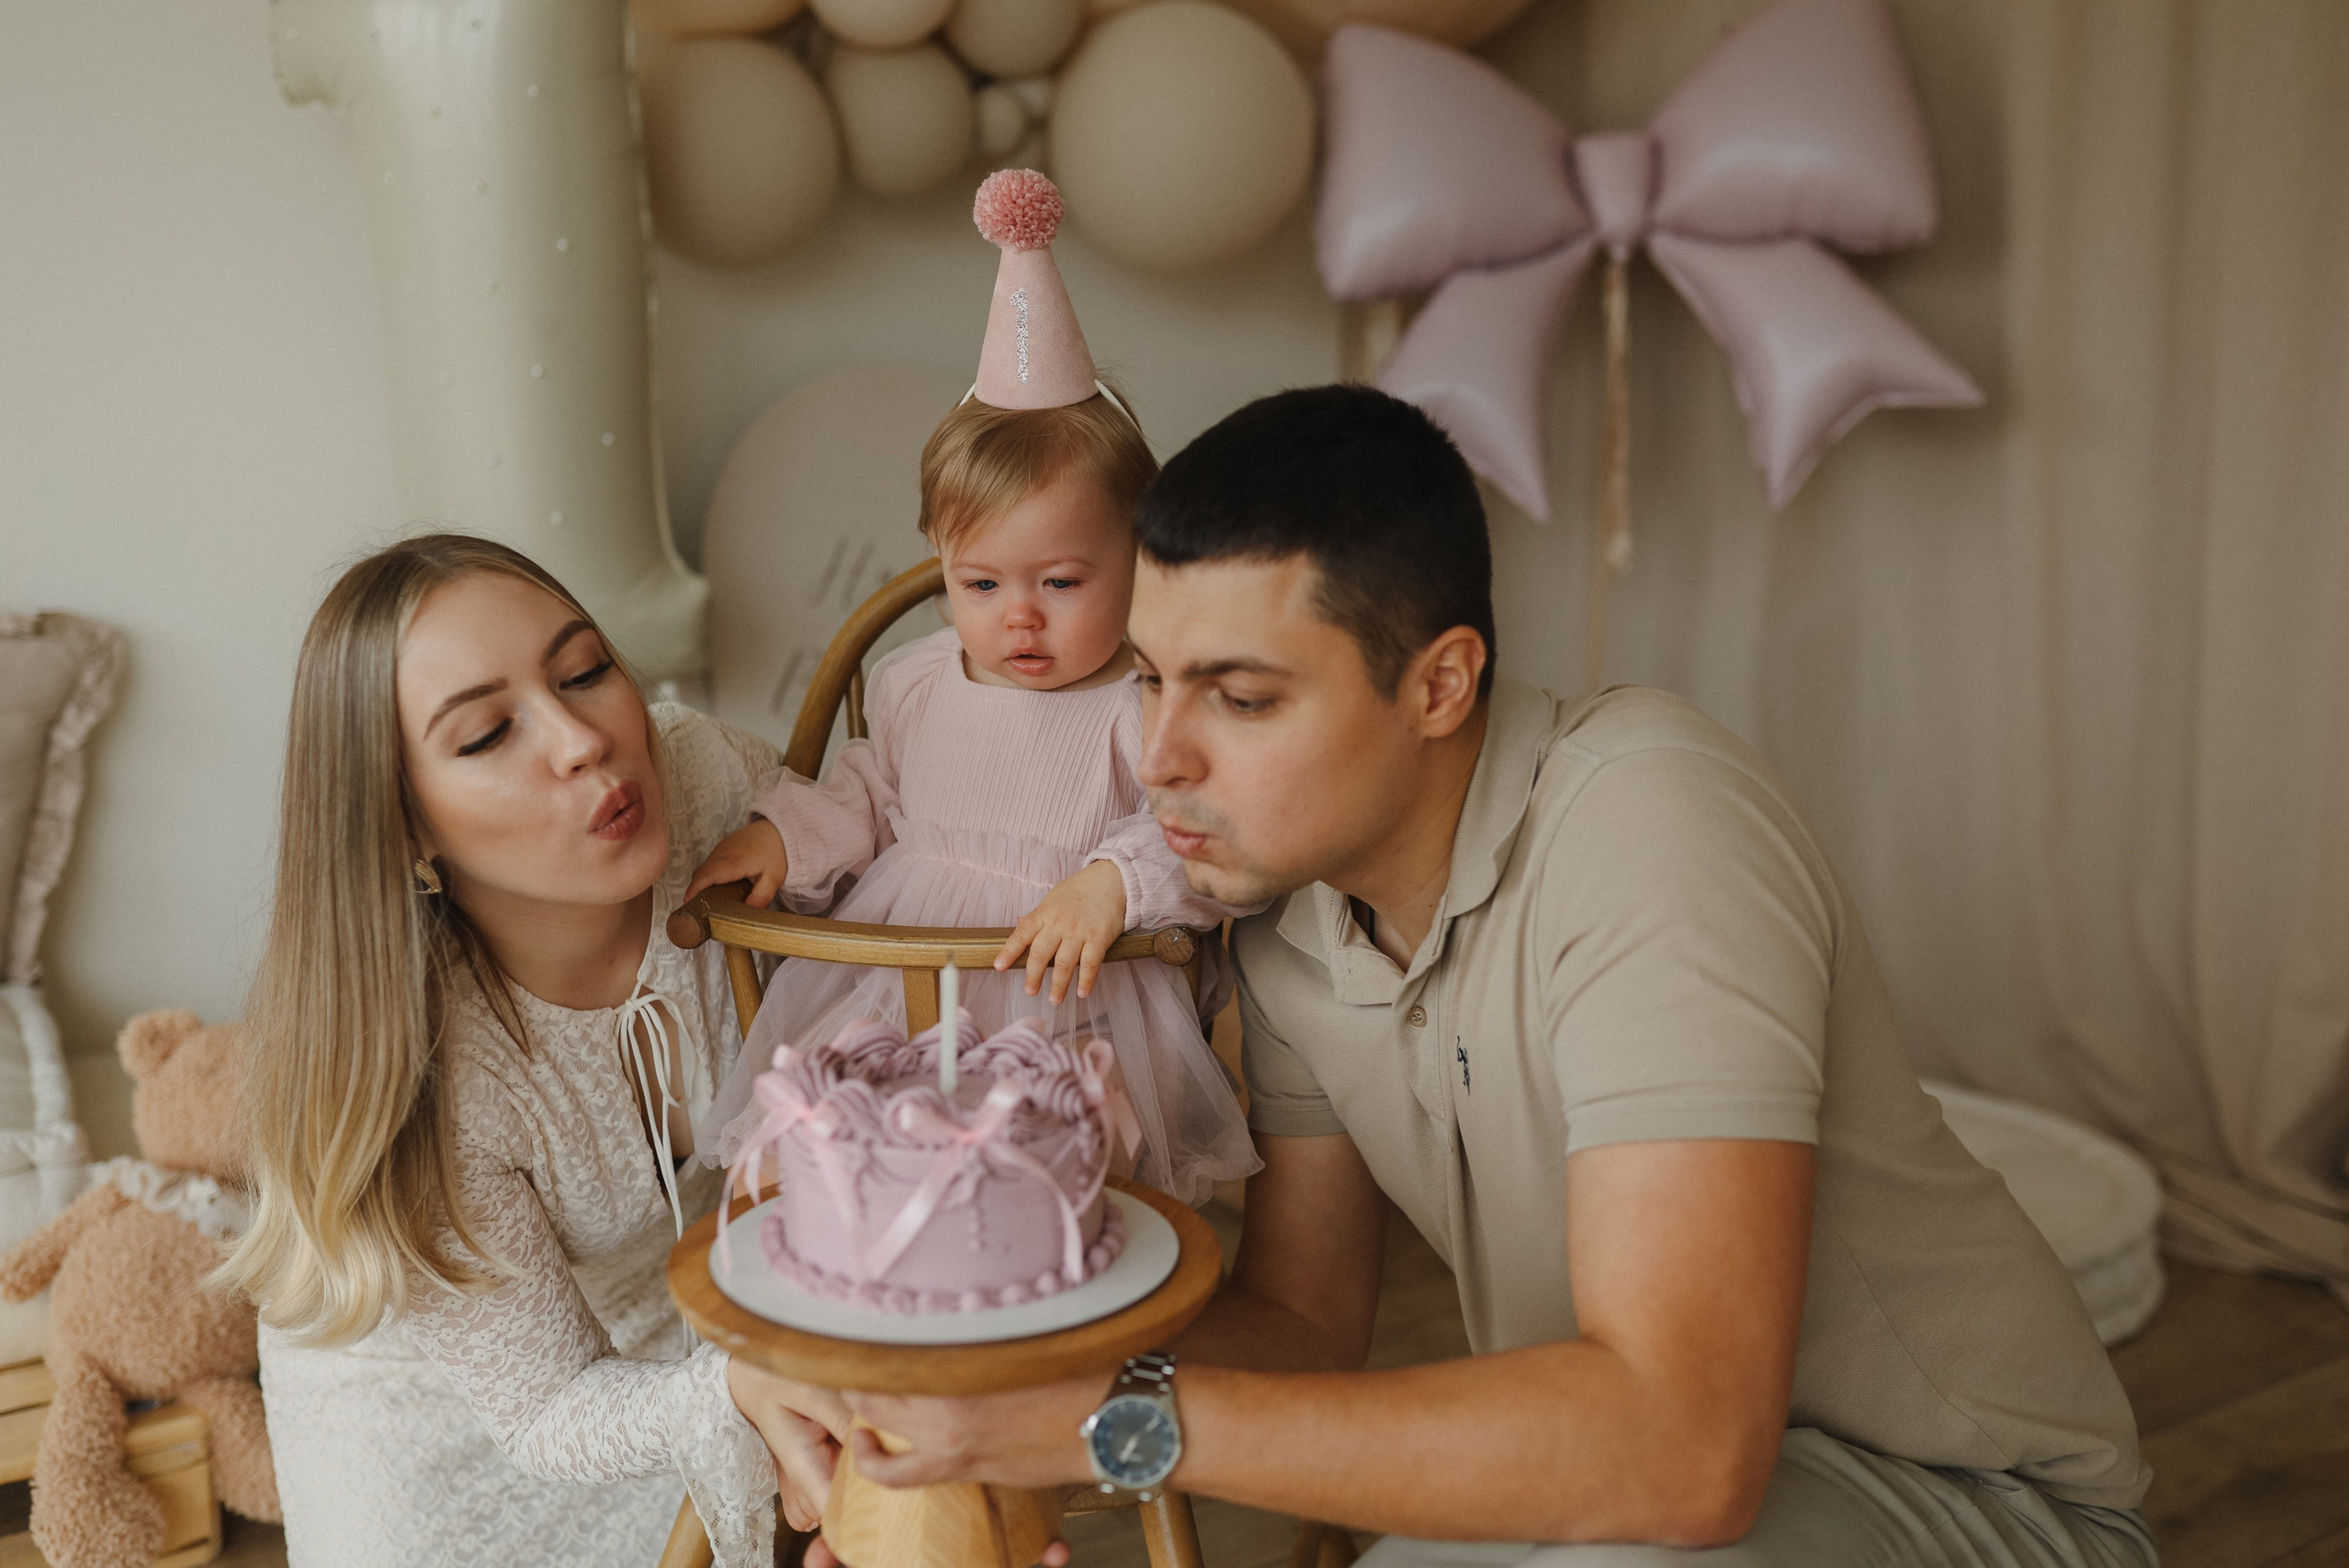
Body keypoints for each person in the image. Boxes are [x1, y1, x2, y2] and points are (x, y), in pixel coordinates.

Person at [820, 386, 2158, 1568]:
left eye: (1242, 697)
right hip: (1613, 1482)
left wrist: (1098, 1420)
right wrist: (952, 1392)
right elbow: (1300, 1325)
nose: (1160, 753)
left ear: (1440, 683)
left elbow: (1687, 1450)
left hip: (1965, 1498)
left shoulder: (1650, 822)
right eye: (1153, 680)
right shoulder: (1287, 917)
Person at [220, 536, 837, 1567]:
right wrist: (728, 1393)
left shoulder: (707, 784)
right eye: (486, 733)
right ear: (405, 828)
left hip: (680, 1310)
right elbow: (547, 1403)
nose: (584, 741)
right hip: (449, 1419)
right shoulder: (430, 1072)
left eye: (585, 671)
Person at [692, 170, 1259, 1207]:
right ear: (939, 559)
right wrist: (786, 837)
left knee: (1055, 1180)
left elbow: (1211, 837)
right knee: (828, 1136)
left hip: (1070, 999)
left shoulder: (1145, 702)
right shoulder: (913, 681)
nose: (1019, 617)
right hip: (903, 982)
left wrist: (1113, 883)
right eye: (980, 584)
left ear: (1138, 558)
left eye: (1061, 582)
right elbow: (869, 792)